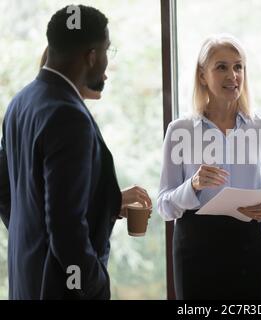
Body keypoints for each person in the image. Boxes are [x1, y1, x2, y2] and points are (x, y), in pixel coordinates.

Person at [0, 5, 151, 299]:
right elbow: (66, 227)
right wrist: (95, 284)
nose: (108, 62)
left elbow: (8, 191)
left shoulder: (20, 102)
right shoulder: (69, 117)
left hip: (25, 283)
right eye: (108, 50)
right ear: (91, 56)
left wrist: (32, 238)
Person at [157, 34, 261, 299]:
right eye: (222, 67)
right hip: (195, 250)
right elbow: (164, 206)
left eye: (238, 67)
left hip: (251, 248)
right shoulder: (179, 131)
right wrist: (193, 185)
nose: (233, 75)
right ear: (202, 75)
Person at [39, 47, 148, 218]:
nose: (104, 76)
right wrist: (117, 199)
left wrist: (113, 209)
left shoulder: (33, 107)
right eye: (98, 69)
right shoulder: (68, 120)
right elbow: (65, 203)